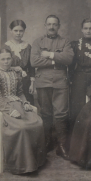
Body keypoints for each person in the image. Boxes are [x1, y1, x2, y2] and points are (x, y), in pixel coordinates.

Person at [0, 48, 46, 175]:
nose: (6, 61)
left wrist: (25, 103)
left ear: (11, 59)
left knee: (38, 122)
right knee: (22, 127)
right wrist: (10, 111)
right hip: (2, 108)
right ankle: (21, 165)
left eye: (8, 58)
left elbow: (19, 93)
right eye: (3, 59)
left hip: (18, 104)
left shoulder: (15, 73)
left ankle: (35, 161)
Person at [30, 15, 74, 159]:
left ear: (59, 26)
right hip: (43, 81)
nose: (51, 27)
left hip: (60, 82)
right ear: (45, 25)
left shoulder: (65, 41)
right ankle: (47, 142)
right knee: (46, 113)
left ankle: (61, 146)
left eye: (54, 24)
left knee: (61, 113)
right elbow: (34, 61)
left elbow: (68, 58)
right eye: (49, 24)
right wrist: (56, 60)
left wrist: (49, 55)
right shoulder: (38, 42)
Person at [4, 20, 35, 105]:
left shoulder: (28, 46)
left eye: (21, 31)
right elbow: (1, 65)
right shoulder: (6, 46)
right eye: (15, 30)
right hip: (10, 79)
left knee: (28, 103)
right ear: (11, 31)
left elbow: (31, 66)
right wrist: (15, 68)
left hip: (25, 80)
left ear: (24, 31)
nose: (18, 33)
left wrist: (32, 84)